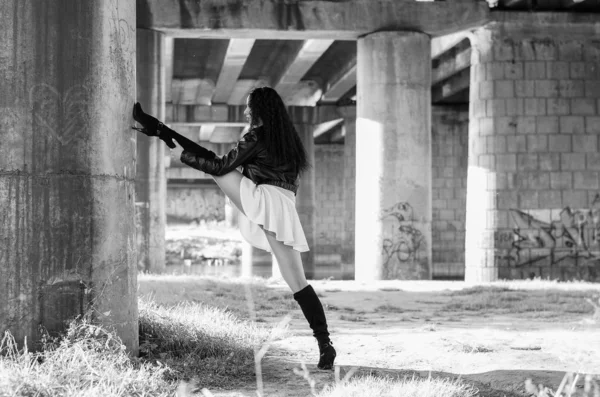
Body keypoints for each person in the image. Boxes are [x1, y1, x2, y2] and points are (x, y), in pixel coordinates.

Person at [131, 87, 336, 370]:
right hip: (284, 206)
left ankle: (158, 129)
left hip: (261, 198)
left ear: (259, 109)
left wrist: (183, 156)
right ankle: (325, 345)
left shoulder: (256, 136)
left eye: (248, 107)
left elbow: (220, 166)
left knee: (213, 164)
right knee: (299, 283)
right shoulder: (288, 141)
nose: (245, 112)